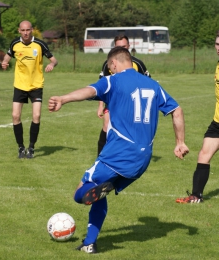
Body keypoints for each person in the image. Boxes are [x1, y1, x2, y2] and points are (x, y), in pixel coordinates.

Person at [48, 46, 189, 254]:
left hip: (117, 154)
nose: (109, 71)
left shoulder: (113, 80)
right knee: (99, 195)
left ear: (113, 64)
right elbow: (177, 110)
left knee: (80, 193)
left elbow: (90, 91)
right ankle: (89, 243)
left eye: (109, 67)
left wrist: (63, 98)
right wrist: (180, 142)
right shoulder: (153, 85)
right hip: (142, 159)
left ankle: (95, 198)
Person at [1, 20, 58, 159]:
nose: (26, 33)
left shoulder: (40, 44)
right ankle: (21, 147)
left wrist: (52, 64)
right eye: (23, 30)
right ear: (19, 31)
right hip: (20, 85)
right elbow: (7, 56)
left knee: (37, 116)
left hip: (36, 85)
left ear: (31, 30)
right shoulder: (15, 44)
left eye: (28, 30)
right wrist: (4, 62)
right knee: (15, 116)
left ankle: (31, 147)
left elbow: (54, 59)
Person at [176, 32, 219, 203]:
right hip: (217, 121)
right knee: (203, 154)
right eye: (217, 44)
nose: (218, 48)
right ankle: (196, 195)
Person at [97, 35, 151, 156]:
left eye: (124, 47)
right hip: (113, 103)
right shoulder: (108, 64)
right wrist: (101, 105)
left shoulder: (138, 64)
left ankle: (132, 155)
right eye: (118, 47)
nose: (122, 49)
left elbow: (148, 85)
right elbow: (102, 87)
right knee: (106, 126)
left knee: (130, 131)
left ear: (129, 47)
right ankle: (100, 157)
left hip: (132, 105)